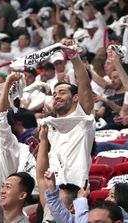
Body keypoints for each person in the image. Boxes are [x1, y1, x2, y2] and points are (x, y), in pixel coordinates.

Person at [42, 39, 95, 188]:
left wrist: (73, 55)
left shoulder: (82, 117)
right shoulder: (52, 124)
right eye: (54, 94)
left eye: (62, 92)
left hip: (74, 188)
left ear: (75, 98)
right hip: (51, 188)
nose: (56, 96)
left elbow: (84, 84)